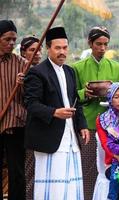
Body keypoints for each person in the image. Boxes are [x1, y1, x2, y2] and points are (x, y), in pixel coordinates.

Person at [24, 26, 90, 200]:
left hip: (70, 138)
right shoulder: (37, 73)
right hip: (50, 138)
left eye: (65, 47)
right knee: (51, 188)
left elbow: (76, 101)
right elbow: (31, 104)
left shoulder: (69, 71)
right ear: (48, 48)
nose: (62, 52)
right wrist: (54, 112)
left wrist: (82, 125)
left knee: (71, 186)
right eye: (58, 48)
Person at [72, 26, 119, 199]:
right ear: (90, 43)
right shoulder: (77, 68)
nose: (102, 48)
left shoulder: (116, 67)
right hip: (87, 124)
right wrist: (83, 93)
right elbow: (71, 95)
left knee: (110, 166)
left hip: (112, 126)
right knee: (87, 166)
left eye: (105, 44)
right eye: (98, 44)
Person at [0, 19, 26, 200]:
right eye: (6, 39)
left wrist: (23, 84)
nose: (11, 43)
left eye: (14, 40)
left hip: (15, 124)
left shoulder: (23, 64)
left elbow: (31, 97)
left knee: (17, 171)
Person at [20, 35, 42, 200]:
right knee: (26, 168)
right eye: (33, 50)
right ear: (23, 52)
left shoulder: (45, 71)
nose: (38, 53)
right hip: (23, 125)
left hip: (41, 126)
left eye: (40, 49)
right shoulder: (20, 71)